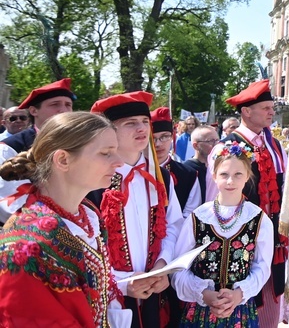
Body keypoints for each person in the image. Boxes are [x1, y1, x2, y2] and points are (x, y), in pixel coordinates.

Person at [0, 111, 132, 327]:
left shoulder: (87, 216)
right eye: (106, 153)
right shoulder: (26, 245)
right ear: (63, 159)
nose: (119, 161)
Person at [88, 92, 184, 328]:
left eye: (144, 122)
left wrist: (163, 266)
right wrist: (122, 283)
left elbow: (174, 225)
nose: (141, 129)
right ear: (109, 132)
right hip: (111, 298)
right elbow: (85, 244)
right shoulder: (93, 182)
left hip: (155, 293)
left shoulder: (160, 177)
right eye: (130, 123)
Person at [207, 79, 287, 328]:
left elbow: (283, 187)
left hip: (271, 238)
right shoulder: (226, 147)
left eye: (271, 107)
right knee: (239, 308)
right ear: (246, 111)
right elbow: (213, 199)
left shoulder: (274, 144)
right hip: (237, 239)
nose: (271, 112)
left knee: (271, 300)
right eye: (265, 107)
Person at [172, 140, 273, 327]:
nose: (230, 181)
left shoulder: (258, 218)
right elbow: (179, 268)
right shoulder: (199, 217)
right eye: (224, 174)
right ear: (214, 176)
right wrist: (204, 294)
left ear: (247, 176)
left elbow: (262, 267)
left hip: (240, 311)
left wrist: (239, 294)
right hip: (200, 311)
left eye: (237, 174)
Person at [0, 78, 76, 223]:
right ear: (34, 110)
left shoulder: (80, 144)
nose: (64, 110)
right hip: (31, 231)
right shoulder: (9, 148)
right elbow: (9, 202)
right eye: (55, 104)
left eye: (68, 105)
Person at [151, 107, 202, 217]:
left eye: (164, 137)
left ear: (172, 138)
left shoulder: (188, 174)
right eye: (153, 139)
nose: (158, 144)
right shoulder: (137, 173)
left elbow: (190, 214)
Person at [184, 125, 220, 206]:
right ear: (196, 145)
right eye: (210, 141)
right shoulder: (186, 170)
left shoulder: (219, 167)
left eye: (217, 140)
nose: (216, 145)